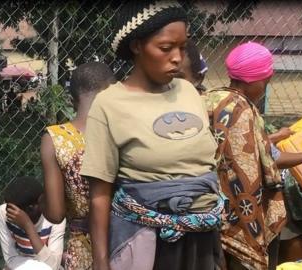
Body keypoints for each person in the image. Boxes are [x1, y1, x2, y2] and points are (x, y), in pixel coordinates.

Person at [79, 2, 222, 270]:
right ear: (136, 46)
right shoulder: (110, 105)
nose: (178, 57)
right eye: (166, 48)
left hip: (201, 239)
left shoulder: (189, 92)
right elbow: (99, 194)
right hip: (149, 244)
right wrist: (101, 263)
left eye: (182, 47)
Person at [204, 41, 286, 270]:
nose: (265, 88)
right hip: (237, 214)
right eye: (266, 82)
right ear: (255, 80)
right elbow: (245, 170)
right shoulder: (241, 109)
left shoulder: (211, 98)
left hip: (206, 206)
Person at [41, 62, 116, 270]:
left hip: (81, 248)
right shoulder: (122, 131)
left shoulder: (54, 138)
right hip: (125, 238)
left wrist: (43, 200)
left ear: (72, 101)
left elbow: (55, 214)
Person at [0, 176, 66, 270]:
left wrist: (28, 226)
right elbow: (10, 259)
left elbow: (54, 266)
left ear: (34, 207)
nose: (10, 213)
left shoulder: (55, 218)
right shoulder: (4, 213)